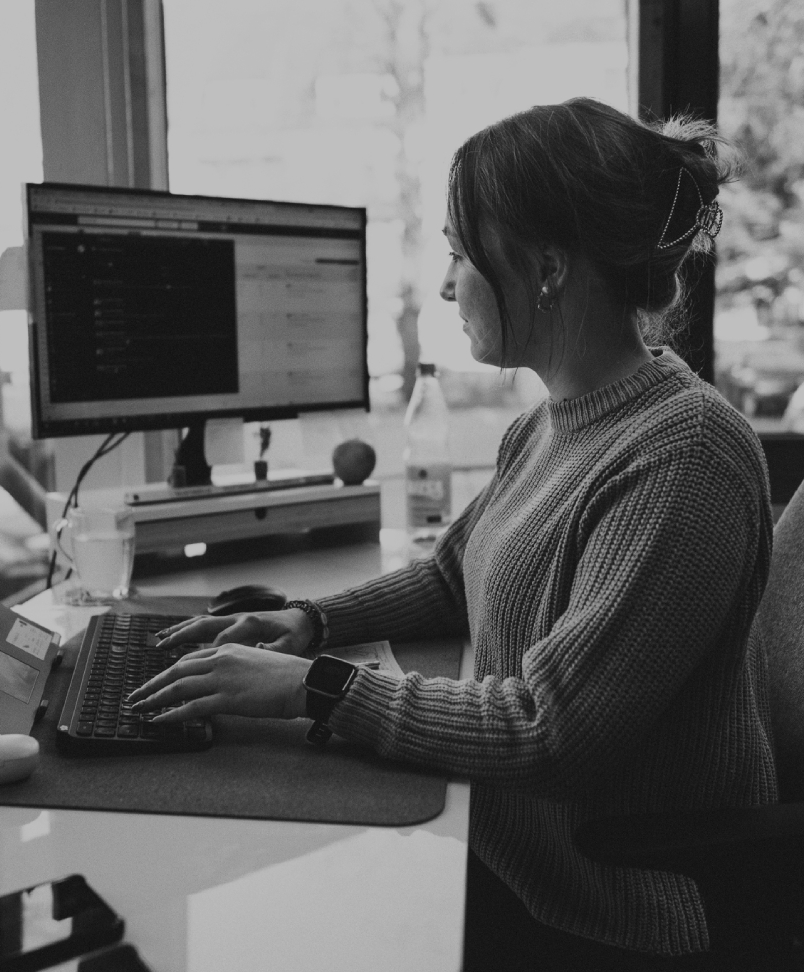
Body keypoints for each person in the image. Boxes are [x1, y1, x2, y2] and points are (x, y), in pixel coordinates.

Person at [127, 97, 776, 969]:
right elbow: (450, 577)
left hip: (608, 905)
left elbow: (551, 731)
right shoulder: (551, 423)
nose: (443, 285)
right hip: (502, 846)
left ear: (547, 267)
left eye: (458, 254)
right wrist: (308, 625)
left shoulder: (684, 458)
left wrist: (312, 689)